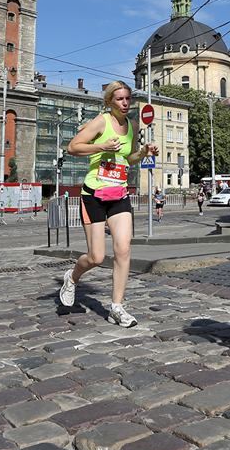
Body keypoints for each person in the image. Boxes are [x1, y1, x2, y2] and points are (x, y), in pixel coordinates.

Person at [59, 81, 158, 327]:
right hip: (94, 194)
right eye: (120, 99)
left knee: (123, 249)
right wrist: (101, 146)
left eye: (128, 99)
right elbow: (73, 147)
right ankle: (72, 277)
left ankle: (117, 307)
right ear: (109, 102)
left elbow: (129, 158)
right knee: (96, 256)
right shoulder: (101, 122)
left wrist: (144, 152)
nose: (125, 103)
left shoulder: (132, 126)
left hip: (119, 195)